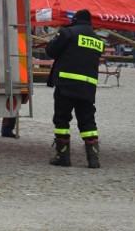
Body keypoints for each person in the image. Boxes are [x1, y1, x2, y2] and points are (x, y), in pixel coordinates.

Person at [45, 9, 104, 168]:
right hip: (88, 87)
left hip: (66, 85)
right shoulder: (98, 40)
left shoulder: (68, 32)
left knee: (62, 119)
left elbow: (50, 51)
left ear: (75, 20)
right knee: (88, 121)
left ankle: (63, 157)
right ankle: (93, 159)